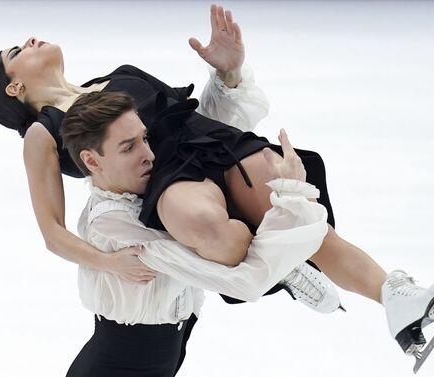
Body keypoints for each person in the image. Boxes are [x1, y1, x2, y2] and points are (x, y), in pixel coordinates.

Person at [0, 4, 434, 372]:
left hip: (213, 144)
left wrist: (228, 73)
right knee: (206, 224)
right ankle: (280, 268)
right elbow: (51, 231)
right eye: (16, 52)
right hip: (166, 180)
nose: (29, 40)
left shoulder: (117, 75)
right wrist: (109, 261)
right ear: (14, 88)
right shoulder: (43, 132)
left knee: (289, 198)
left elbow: (202, 118)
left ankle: (397, 298)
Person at [62, 90, 330, 376]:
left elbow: (202, 130)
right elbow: (239, 281)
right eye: (128, 148)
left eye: (145, 139)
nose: (149, 155)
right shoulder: (112, 222)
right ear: (92, 161)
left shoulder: (140, 188)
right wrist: (292, 195)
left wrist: (226, 79)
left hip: (159, 357)